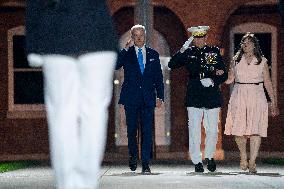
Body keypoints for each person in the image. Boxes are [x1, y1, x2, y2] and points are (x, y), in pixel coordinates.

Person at [25, 0, 117, 188]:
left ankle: (67, 183)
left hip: (57, 32)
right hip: (97, 32)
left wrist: (32, 44)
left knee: (62, 116)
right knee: (94, 115)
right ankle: (86, 183)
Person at [168, 26, 228, 173]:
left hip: (211, 93)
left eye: (201, 37)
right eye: (195, 37)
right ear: (192, 39)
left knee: (212, 129)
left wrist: (213, 80)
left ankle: (210, 157)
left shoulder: (213, 51)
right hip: (194, 93)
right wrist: (183, 48)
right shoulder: (188, 53)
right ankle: (197, 161)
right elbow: (172, 64)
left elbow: (223, 74)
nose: (198, 40)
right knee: (194, 130)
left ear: (205, 38)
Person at [224, 32, 279, 173]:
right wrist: (217, 76)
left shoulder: (262, 61)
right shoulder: (236, 60)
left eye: (248, 42)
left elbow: (267, 82)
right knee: (239, 129)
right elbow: (230, 79)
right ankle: (243, 156)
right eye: (243, 42)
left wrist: (273, 102)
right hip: (239, 94)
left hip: (257, 95)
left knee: (256, 129)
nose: (245, 44)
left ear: (254, 45)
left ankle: (253, 162)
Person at [116, 24, 164, 174]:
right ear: (132, 37)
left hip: (148, 98)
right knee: (132, 131)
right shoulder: (127, 53)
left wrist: (160, 96)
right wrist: (124, 49)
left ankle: (145, 163)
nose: (138, 38)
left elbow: (158, 77)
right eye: (135, 35)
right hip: (131, 98)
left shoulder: (153, 54)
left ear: (145, 36)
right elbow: (115, 65)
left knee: (147, 132)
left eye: (141, 35)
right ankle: (132, 155)